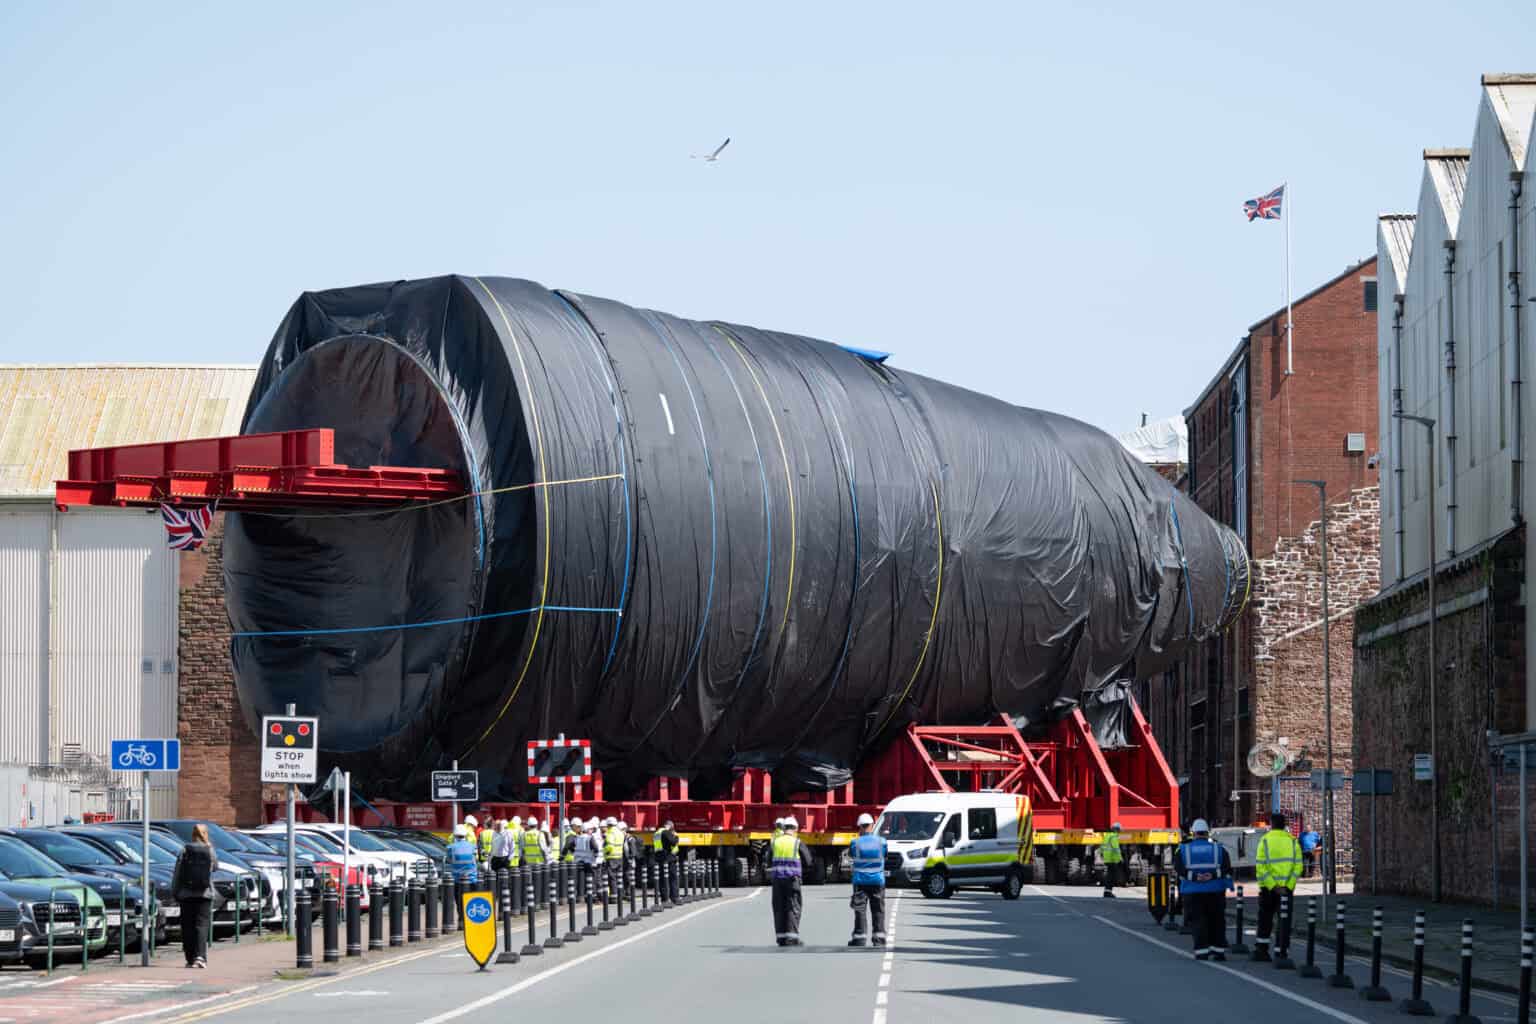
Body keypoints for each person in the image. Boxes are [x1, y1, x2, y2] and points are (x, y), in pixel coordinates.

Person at [1175, 818, 1233, 961]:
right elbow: (1227, 868)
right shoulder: (1219, 848)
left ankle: (1202, 951)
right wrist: (1212, 875)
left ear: (1192, 833)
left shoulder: (1182, 849)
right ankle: (1218, 951)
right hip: (1215, 890)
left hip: (1192, 891)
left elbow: (1179, 868)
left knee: (1198, 920)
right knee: (1217, 921)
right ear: (1208, 833)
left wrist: (1195, 877)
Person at [1252, 812, 1303, 962]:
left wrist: (1273, 886)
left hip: (1268, 889)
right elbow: (1298, 866)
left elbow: (1261, 867)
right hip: (1287, 889)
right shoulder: (1293, 841)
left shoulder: (1265, 841)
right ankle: (1281, 952)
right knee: (1284, 920)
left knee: (1265, 919)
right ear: (1284, 825)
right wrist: (1288, 886)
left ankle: (1262, 950)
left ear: (1272, 824)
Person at [171, 823, 215, 968]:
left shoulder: (185, 849)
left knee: (188, 926)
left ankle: (190, 958)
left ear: (193, 834)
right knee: (201, 926)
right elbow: (216, 867)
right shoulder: (209, 850)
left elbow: (178, 872)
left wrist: (175, 891)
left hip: (186, 894)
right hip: (205, 894)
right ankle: (201, 957)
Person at [770, 817, 813, 946]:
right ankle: (792, 937)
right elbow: (808, 861)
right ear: (795, 829)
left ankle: (781, 937)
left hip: (777, 880)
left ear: (784, 828)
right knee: (793, 907)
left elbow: (768, 859)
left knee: (779, 908)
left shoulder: (775, 842)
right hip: (792, 879)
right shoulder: (797, 842)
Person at [847, 813, 887, 947]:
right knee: (878, 910)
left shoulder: (855, 843)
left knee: (860, 910)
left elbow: (851, 855)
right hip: (877, 881)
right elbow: (885, 854)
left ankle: (859, 938)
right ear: (872, 826)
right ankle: (879, 939)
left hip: (860, 882)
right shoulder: (882, 842)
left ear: (859, 827)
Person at [654, 819, 680, 902]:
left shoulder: (657, 833)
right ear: (669, 826)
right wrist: (676, 836)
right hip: (668, 858)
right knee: (673, 878)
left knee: (663, 878)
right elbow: (673, 842)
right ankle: (674, 897)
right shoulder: (665, 832)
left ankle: (664, 898)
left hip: (660, 857)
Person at [1100, 822, 1124, 897]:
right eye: (1119, 830)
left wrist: (1102, 855)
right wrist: (1120, 859)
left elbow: (1102, 847)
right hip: (1113, 859)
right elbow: (1116, 849)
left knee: (1109, 875)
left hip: (1107, 859)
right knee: (1112, 876)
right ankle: (1108, 892)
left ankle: (1107, 891)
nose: (1119, 832)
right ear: (1117, 830)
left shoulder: (1107, 836)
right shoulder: (1114, 837)